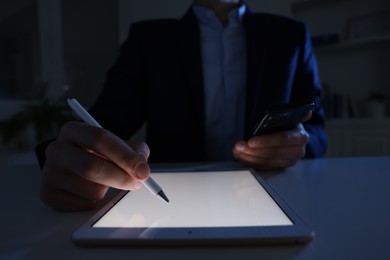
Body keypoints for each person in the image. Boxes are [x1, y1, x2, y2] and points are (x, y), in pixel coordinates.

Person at [35, 0, 327, 211]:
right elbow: (106, 123)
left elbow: (316, 128)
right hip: (176, 203)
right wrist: (69, 154)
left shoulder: (291, 35)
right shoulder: (148, 39)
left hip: (275, 192)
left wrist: (299, 143)